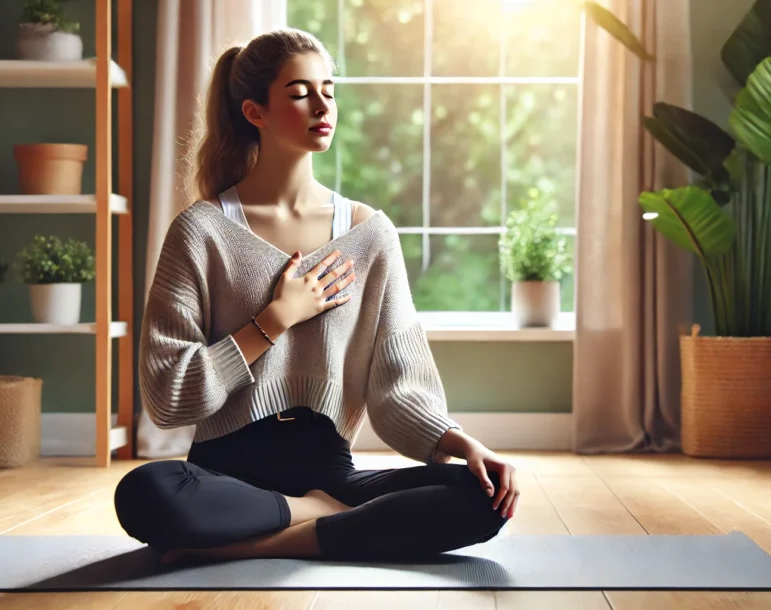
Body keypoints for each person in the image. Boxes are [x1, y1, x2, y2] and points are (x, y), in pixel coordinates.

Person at [114, 28, 519, 565]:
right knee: (146, 492)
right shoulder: (200, 231)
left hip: (330, 476)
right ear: (254, 111)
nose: (321, 104)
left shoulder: (371, 234)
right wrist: (276, 318)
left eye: (328, 89)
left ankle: (276, 534)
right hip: (221, 474)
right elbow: (167, 398)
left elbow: (399, 389)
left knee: (482, 496)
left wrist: (463, 443)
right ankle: (315, 519)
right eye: (300, 92)